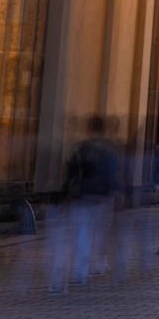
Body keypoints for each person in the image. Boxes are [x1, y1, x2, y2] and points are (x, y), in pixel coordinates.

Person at [51, 116, 121, 289]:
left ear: (89, 129)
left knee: (83, 232)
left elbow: (71, 172)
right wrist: (116, 192)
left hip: (83, 195)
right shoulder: (109, 150)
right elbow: (113, 174)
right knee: (100, 232)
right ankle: (98, 263)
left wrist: (65, 194)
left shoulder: (81, 148)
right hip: (103, 196)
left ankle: (80, 271)